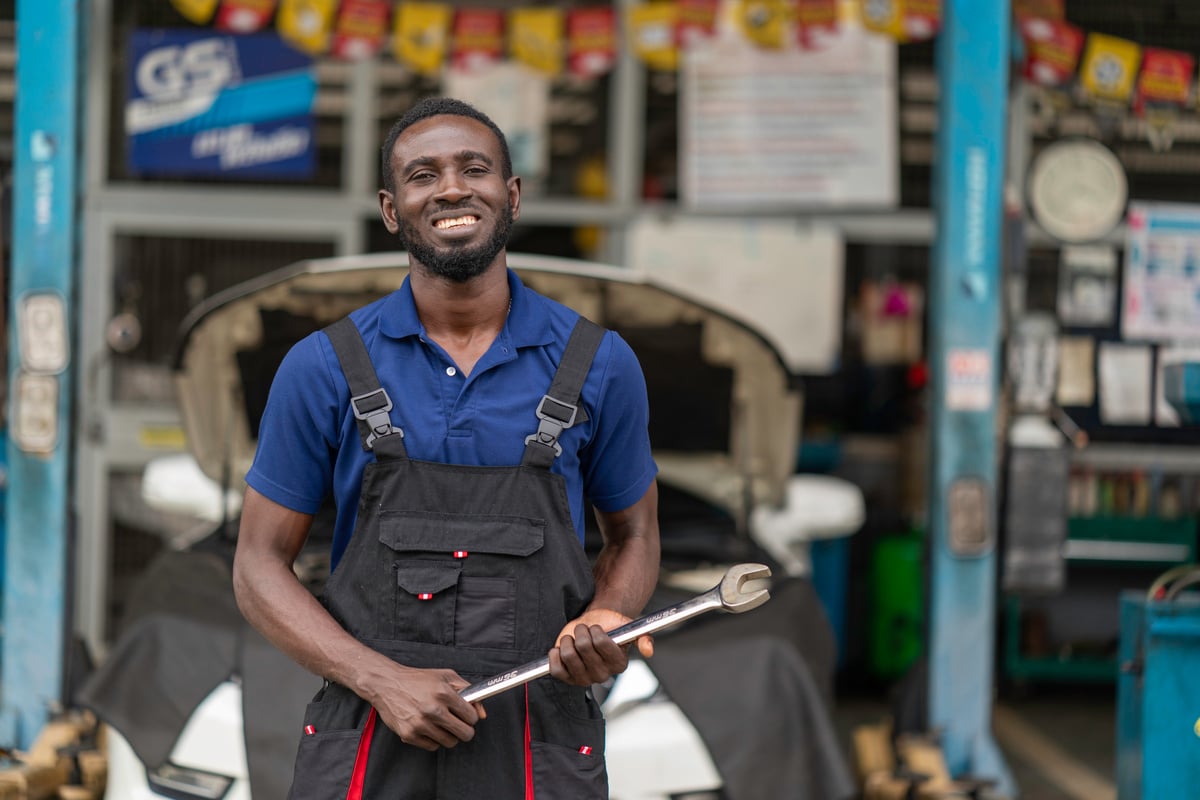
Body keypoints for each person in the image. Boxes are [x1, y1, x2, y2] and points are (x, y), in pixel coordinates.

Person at [232, 96, 661, 799]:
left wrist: (605, 616)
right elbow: (255, 566)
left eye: (474, 169)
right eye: (423, 174)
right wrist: (381, 680)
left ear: (512, 194)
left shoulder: (600, 363)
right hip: (370, 737)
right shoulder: (324, 366)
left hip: (536, 743)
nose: (453, 188)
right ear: (392, 209)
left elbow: (635, 533)